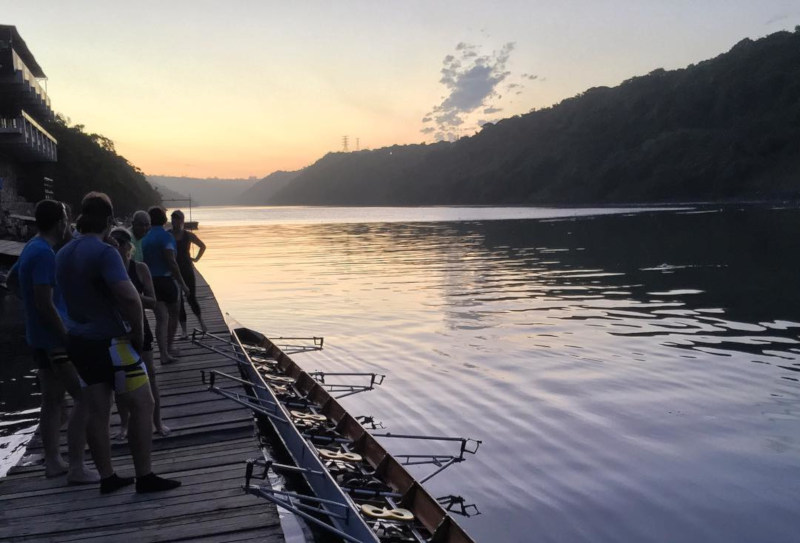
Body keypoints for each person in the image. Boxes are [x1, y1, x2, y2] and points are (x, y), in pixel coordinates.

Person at [55, 192, 180, 494]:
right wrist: (137, 332)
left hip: (79, 341)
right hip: (111, 341)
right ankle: (145, 476)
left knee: (97, 409)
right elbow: (127, 295)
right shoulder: (105, 252)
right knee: (143, 403)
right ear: (109, 221)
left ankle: (108, 477)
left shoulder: (64, 253)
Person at [7, 199, 98, 484]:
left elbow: (11, 282)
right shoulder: (45, 254)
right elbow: (46, 304)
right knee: (85, 397)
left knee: (52, 400)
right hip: (54, 340)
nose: (69, 223)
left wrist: (31, 308)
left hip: (37, 338)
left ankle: (54, 463)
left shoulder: (31, 248)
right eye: (67, 217)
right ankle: (76, 467)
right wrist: (65, 336)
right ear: (60, 222)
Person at [108, 228, 170, 437]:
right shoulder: (106, 270)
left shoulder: (140, 269)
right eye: (112, 246)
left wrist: (131, 295)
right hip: (115, 331)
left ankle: (158, 424)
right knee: (119, 382)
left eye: (119, 245)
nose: (115, 250)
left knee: (150, 375)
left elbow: (152, 302)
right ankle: (125, 425)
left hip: (139, 327)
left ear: (128, 247)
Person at [142, 206, 188, 364]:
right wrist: (182, 283)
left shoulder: (145, 237)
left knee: (161, 318)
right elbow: (171, 262)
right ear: (164, 219)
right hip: (167, 280)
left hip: (150, 281)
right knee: (173, 315)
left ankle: (163, 353)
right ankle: (168, 348)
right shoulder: (166, 237)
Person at [170, 210, 207, 338]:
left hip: (187, 270)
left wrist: (196, 259)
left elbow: (202, 246)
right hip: (173, 271)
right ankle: (184, 331)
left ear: (182, 221)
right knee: (178, 301)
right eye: (173, 218)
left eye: (178, 219)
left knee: (191, 298)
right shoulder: (168, 235)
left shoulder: (188, 235)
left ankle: (202, 323)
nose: (175, 221)